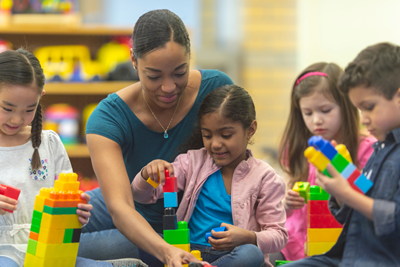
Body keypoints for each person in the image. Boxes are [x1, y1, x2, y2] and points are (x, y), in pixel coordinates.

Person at [81, 9, 234, 266]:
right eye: (154, 76)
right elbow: (120, 207)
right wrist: (166, 251)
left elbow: (241, 166)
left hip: (186, 225)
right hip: (128, 210)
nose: (168, 87)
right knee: (46, 242)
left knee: (132, 246)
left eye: (179, 72)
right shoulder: (107, 118)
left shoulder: (217, 90)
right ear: (133, 60)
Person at [132, 85, 288, 267]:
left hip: (232, 254)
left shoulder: (265, 177)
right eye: (207, 135)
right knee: (146, 239)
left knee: (252, 254)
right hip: (187, 252)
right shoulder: (192, 162)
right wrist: (147, 175)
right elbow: (141, 196)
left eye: (226, 135)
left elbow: (279, 236)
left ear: (250, 129)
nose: (215, 144)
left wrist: (247, 237)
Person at [283, 42, 400, 267]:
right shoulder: (380, 150)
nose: (364, 118)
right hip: (346, 253)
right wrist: (337, 191)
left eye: (369, 107)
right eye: (361, 109)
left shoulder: (372, 147)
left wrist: (346, 194)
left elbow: (392, 217)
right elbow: (356, 205)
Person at [0, 49, 118, 267]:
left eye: (29, 109)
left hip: (51, 251)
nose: (17, 119)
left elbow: (68, 202)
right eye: (8, 108)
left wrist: (76, 214)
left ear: (40, 97)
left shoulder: (50, 143)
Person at [271, 62, 376, 264]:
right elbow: (283, 202)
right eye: (308, 113)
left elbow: (368, 194)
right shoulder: (295, 148)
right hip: (294, 242)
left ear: (345, 106)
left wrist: (343, 177)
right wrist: (287, 202)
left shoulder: (365, 148)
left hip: (339, 246)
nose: (316, 120)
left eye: (325, 110)